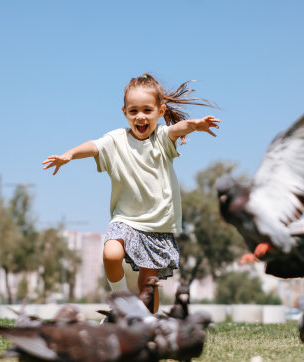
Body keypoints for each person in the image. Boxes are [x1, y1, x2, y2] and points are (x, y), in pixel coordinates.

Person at [42, 73, 219, 312]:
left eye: (147, 110)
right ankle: (122, 306)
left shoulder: (162, 140)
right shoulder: (116, 140)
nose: (140, 117)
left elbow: (178, 128)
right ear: (124, 112)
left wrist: (196, 126)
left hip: (157, 224)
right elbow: (93, 146)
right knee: (111, 254)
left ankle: (148, 322)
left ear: (160, 111)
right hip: (125, 218)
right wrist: (70, 155)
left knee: (148, 286)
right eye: (133, 111)